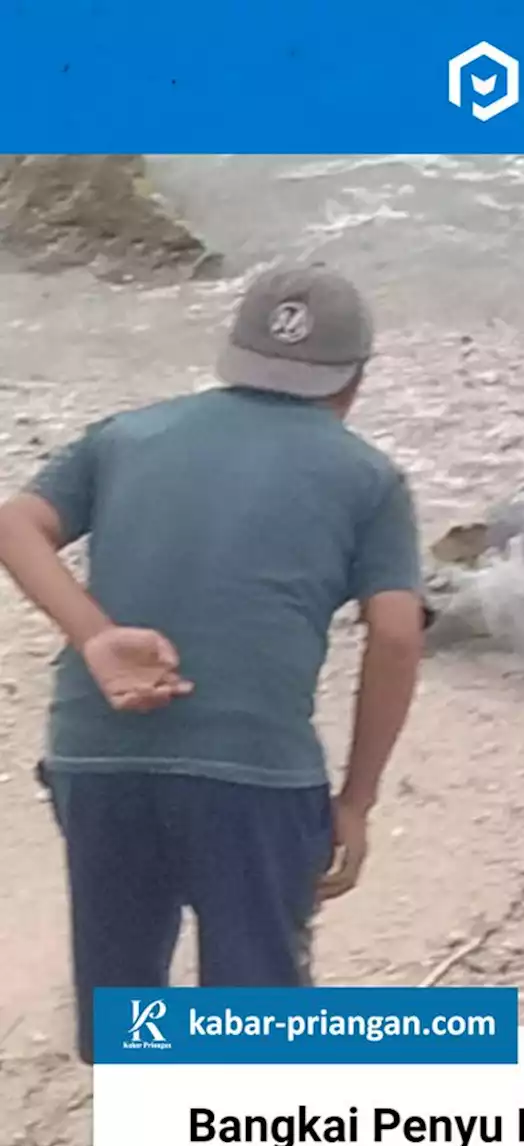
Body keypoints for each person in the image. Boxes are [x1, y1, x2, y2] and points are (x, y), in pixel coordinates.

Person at [0, 263, 425, 1062]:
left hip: (97, 755)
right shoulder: (368, 477)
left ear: (233, 354)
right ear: (353, 382)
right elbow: (397, 635)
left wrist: (95, 636)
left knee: (125, 998)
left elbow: (16, 522)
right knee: (255, 1024)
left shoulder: (127, 435)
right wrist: (357, 801)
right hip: (253, 775)